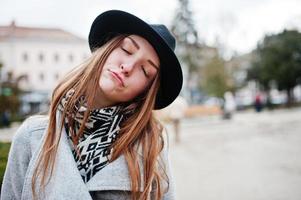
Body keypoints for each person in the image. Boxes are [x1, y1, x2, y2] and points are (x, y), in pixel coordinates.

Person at [1, 10, 183, 200]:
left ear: (146, 90)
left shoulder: (150, 149)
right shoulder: (32, 137)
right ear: (107, 48)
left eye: (145, 71)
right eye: (127, 49)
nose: (127, 67)